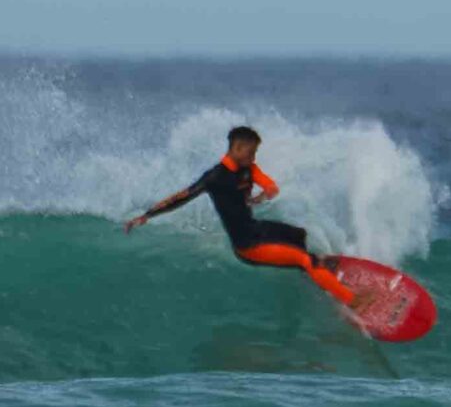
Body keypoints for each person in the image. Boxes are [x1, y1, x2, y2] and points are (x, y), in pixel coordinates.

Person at [125, 127, 356, 306]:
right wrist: (147, 215)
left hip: (255, 227)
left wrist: (260, 197)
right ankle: (352, 301)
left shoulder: (249, 168)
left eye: (255, 152)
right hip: (247, 246)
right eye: (251, 152)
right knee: (305, 259)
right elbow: (181, 197)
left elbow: (271, 188)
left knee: (298, 235)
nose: (254, 157)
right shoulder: (215, 177)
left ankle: (319, 278)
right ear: (236, 149)